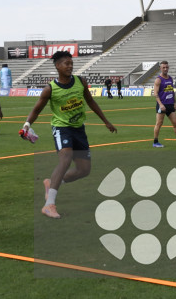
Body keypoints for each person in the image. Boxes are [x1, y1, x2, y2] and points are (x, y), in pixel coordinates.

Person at [23, 51, 117, 218]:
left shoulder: (80, 82)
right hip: (62, 128)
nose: (70, 66)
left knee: (84, 170)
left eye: (71, 63)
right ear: (57, 66)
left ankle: (51, 183)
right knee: (65, 158)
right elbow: (36, 110)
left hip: (79, 129)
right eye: (66, 63)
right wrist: (26, 125)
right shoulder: (50, 89)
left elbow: (90, 101)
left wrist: (106, 121)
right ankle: (49, 204)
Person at [153, 60, 176, 148]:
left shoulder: (170, 78)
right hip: (162, 105)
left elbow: (172, 91)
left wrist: (175, 102)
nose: (165, 69)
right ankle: (155, 142)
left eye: (166, 67)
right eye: (163, 67)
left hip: (170, 104)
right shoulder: (158, 80)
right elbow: (155, 93)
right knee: (159, 123)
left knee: (175, 123)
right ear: (160, 68)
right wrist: (160, 104)